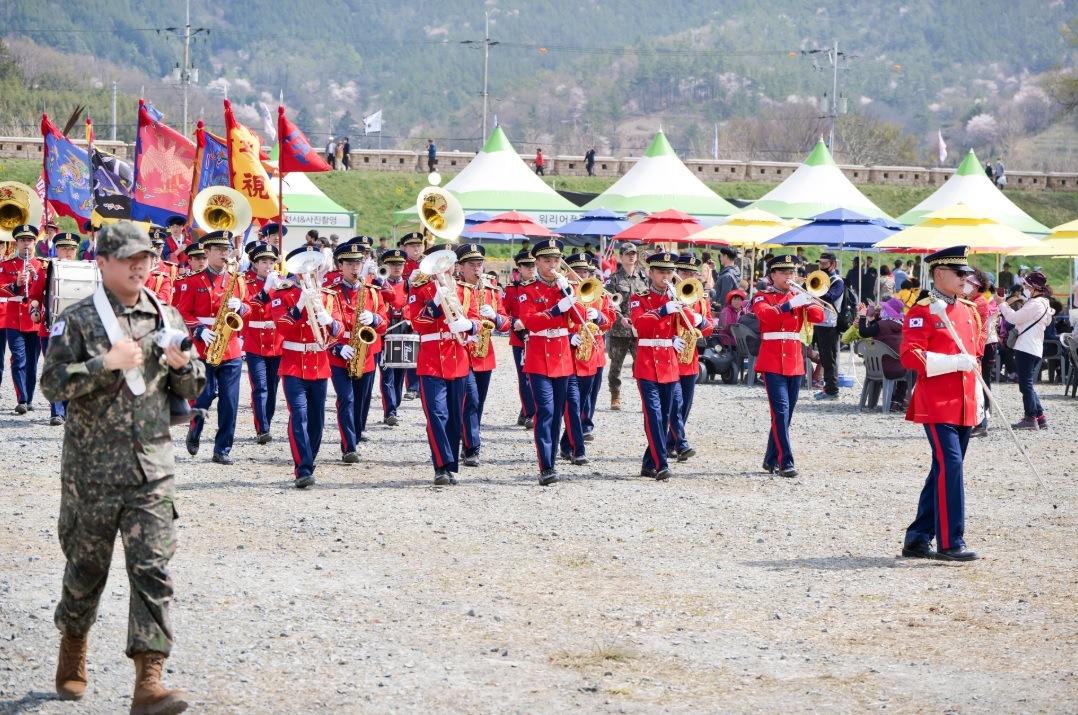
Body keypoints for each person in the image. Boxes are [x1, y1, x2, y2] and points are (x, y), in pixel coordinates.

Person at [41, 220, 205, 712]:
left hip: (152, 470)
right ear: (102, 263)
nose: (139, 266)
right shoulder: (78, 319)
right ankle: (74, 642)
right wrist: (104, 364)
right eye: (128, 258)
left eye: (145, 258)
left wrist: (185, 368)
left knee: (152, 569)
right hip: (92, 473)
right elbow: (51, 384)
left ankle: (149, 679)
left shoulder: (165, 314)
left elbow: (191, 388)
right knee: (86, 568)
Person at [899, 245, 982, 562]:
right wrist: (953, 362)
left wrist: (978, 400)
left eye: (966, 274)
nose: (965, 279)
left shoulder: (970, 311)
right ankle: (951, 542)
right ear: (939, 274)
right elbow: (910, 356)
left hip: (964, 403)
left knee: (943, 470)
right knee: (951, 466)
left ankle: (917, 538)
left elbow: (975, 359)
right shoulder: (922, 310)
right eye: (959, 273)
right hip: (936, 402)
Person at [403, 244, 480, 486]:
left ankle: (450, 466)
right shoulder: (420, 289)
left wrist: (470, 326)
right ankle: (441, 466)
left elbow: (477, 319)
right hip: (432, 360)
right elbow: (416, 322)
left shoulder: (465, 290)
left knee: (455, 417)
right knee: (437, 415)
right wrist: (435, 303)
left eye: (448, 262)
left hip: (458, 358)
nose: (445, 268)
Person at [269, 245, 343, 486]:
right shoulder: (282, 293)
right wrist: (299, 306)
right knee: (298, 415)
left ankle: (309, 460)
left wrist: (330, 322)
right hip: (293, 364)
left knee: (316, 420)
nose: (310, 272)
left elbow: (340, 330)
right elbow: (281, 327)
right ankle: (302, 469)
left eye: (314, 267)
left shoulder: (328, 296)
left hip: (319, 364)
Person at [174, 230, 249, 465]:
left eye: (227, 249)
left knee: (230, 402)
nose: (224, 254)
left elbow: (249, 307)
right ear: (207, 252)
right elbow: (183, 312)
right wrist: (200, 330)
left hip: (230, 348)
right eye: (219, 250)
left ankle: (222, 449)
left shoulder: (237, 279)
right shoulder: (193, 280)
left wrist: (241, 306)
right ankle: (194, 430)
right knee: (203, 396)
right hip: (203, 346)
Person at [752, 254, 826, 477]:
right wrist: (790, 304)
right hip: (772, 360)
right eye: (783, 273)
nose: (789, 276)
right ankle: (786, 462)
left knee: (785, 415)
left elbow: (819, 317)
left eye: (791, 272)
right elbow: (765, 316)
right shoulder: (762, 296)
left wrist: (810, 298)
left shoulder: (798, 296)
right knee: (781, 412)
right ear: (773, 275)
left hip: (794, 361)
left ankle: (770, 458)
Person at [518, 238, 582, 485]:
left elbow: (579, 319)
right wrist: (556, 310)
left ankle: (552, 460)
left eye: (556, 261)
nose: (552, 265)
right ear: (537, 263)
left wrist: (569, 294)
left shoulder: (565, 287)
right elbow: (530, 322)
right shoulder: (527, 290)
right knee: (545, 411)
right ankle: (545, 466)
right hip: (539, 356)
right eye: (547, 261)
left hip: (562, 356)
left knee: (557, 415)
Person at [629, 251, 693, 480]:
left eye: (669, 272)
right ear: (651, 272)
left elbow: (692, 325)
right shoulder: (639, 297)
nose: (666, 276)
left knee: (665, 416)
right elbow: (639, 324)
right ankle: (661, 463)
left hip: (669, 364)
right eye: (661, 272)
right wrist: (663, 310)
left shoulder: (676, 296)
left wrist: (689, 313)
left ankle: (649, 464)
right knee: (654, 415)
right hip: (647, 363)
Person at [327, 238, 389, 462]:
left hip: (365, 354)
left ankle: (356, 433)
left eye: (358, 264)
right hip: (340, 353)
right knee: (346, 399)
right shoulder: (331, 292)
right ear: (340, 266)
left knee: (361, 402)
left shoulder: (372, 292)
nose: (354, 268)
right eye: (350, 264)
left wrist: (374, 318)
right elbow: (327, 325)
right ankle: (349, 447)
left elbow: (383, 324)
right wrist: (337, 347)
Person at [454, 244, 511, 467]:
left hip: (484, 354)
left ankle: (467, 438)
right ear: (460, 267)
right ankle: (472, 449)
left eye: (479, 265)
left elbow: (506, 325)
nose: (477, 269)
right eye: (472, 265)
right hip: (461, 352)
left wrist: (495, 316)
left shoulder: (491, 291)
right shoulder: (454, 290)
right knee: (471, 400)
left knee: (478, 403)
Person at [28, 231, 81, 425]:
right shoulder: (46, 270)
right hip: (51, 328)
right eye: (64, 248)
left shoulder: (85, 270)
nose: (68, 252)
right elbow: (34, 296)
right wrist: (34, 312)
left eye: (72, 249)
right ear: (56, 250)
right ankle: (57, 412)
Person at [666, 254, 714, 462]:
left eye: (691, 274)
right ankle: (681, 444)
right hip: (668, 355)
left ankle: (670, 443)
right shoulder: (667, 295)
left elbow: (710, 327)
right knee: (675, 402)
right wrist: (670, 338)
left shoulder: (701, 298)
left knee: (685, 404)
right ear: (676, 273)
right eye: (684, 273)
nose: (687, 277)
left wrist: (700, 320)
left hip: (689, 357)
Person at [556, 253, 599, 466]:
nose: (583, 275)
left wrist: (599, 317)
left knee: (579, 407)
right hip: (567, 357)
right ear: (568, 272)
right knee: (572, 406)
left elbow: (608, 318)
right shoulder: (559, 292)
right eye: (578, 271)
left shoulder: (594, 291)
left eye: (585, 272)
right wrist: (567, 336)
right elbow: (551, 322)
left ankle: (566, 444)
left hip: (588, 358)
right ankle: (577, 449)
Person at [241, 242, 286, 444]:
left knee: (273, 386)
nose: (268, 266)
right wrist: (266, 290)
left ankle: (267, 420)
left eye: (271, 262)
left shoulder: (281, 282)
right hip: (255, 341)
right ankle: (262, 428)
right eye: (264, 262)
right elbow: (248, 309)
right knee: (259, 386)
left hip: (277, 341)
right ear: (255, 263)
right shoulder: (246, 282)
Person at [996, 270, 1052, 430]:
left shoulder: (1034, 304)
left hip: (1026, 347)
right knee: (1028, 384)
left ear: (1034, 288)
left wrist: (1002, 304)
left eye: (1027, 286)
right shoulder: (1044, 303)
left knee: (1025, 385)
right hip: (1034, 347)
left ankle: (1030, 418)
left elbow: (1013, 318)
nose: (1025, 289)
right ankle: (1040, 416)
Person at [1, 224, 47, 413]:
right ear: (16, 243)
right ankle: (22, 399)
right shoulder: (6, 265)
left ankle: (29, 398)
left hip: (34, 319)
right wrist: (15, 284)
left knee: (32, 362)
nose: (26, 244)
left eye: (29, 240)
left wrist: (36, 278)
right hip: (14, 318)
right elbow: (1, 289)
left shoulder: (43, 265)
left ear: (35, 243)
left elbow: (49, 291)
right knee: (18, 359)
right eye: (22, 240)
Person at [603, 243, 647, 410]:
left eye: (633, 253)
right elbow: (609, 303)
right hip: (619, 330)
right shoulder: (614, 279)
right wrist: (620, 318)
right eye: (628, 253)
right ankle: (615, 395)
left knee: (642, 365)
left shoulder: (642, 278)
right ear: (621, 256)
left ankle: (645, 398)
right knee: (616, 365)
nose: (631, 256)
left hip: (639, 330)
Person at [504, 249, 538, 428]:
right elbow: (502, 313)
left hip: (540, 337)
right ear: (519, 268)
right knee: (524, 377)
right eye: (526, 265)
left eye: (533, 265)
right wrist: (513, 321)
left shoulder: (542, 286)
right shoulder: (511, 289)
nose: (531, 268)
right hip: (520, 338)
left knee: (539, 377)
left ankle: (527, 410)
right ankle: (530, 413)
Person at [857, 297, 908, 410]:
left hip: (876, 369)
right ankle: (898, 400)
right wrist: (871, 319)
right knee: (911, 370)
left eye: (884, 308)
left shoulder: (881, 325)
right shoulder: (902, 326)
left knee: (885, 365)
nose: (881, 310)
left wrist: (862, 316)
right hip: (898, 369)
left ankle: (892, 399)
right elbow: (882, 329)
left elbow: (864, 332)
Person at [967, 269, 997, 438]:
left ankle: (981, 423)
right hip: (975, 347)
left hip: (979, 347)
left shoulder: (980, 302)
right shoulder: (974, 300)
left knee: (978, 386)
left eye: (969, 284)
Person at [812, 251, 844, 400]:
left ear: (833, 264)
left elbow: (831, 297)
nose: (822, 266)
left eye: (825, 263)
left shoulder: (837, 281)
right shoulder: (821, 278)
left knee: (829, 359)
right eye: (821, 263)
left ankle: (832, 390)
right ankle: (827, 387)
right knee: (825, 359)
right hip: (819, 322)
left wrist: (816, 289)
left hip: (830, 324)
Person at [399, 232, 425, 401]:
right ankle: (412, 387)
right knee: (410, 349)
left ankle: (424, 384)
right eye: (412, 246)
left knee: (426, 349)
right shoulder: (401, 263)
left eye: (418, 245)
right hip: (407, 311)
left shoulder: (428, 262)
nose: (416, 249)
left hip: (425, 309)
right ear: (405, 248)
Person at [145, 228, 177, 305]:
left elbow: (172, 295)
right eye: (153, 247)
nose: (156, 250)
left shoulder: (171, 268)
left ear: (162, 248)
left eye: (158, 247)